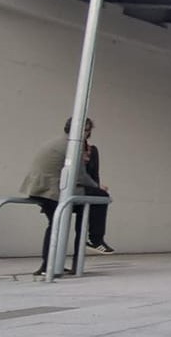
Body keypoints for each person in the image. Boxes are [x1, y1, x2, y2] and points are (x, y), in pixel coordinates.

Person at [20, 117, 103, 276]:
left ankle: (48, 264)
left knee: (56, 223)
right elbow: (79, 175)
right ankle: (95, 238)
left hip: (40, 188)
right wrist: (97, 186)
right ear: (82, 131)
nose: (88, 135)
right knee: (99, 197)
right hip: (52, 190)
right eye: (87, 132)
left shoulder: (58, 142)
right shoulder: (72, 146)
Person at [77, 123, 114, 255]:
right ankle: (96, 239)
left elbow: (94, 175)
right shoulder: (68, 147)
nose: (85, 133)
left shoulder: (92, 150)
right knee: (101, 197)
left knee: (101, 197)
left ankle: (95, 240)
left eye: (87, 130)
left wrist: (96, 186)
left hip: (85, 188)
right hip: (71, 188)